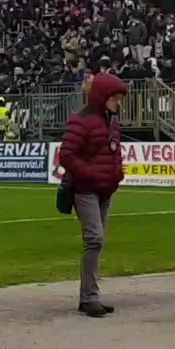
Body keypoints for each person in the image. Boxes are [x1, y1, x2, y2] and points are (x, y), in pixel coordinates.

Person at [59, 72, 128, 318]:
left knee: (97, 241)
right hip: (85, 189)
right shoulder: (81, 120)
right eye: (115, 98)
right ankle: (89, 298)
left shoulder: (112, 122)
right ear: (102, 97)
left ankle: (89, 295)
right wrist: (89, 174)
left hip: (105, 189)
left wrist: (117, 173)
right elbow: (66, 155)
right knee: (95, 239)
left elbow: (114, 152)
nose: (118, 103)